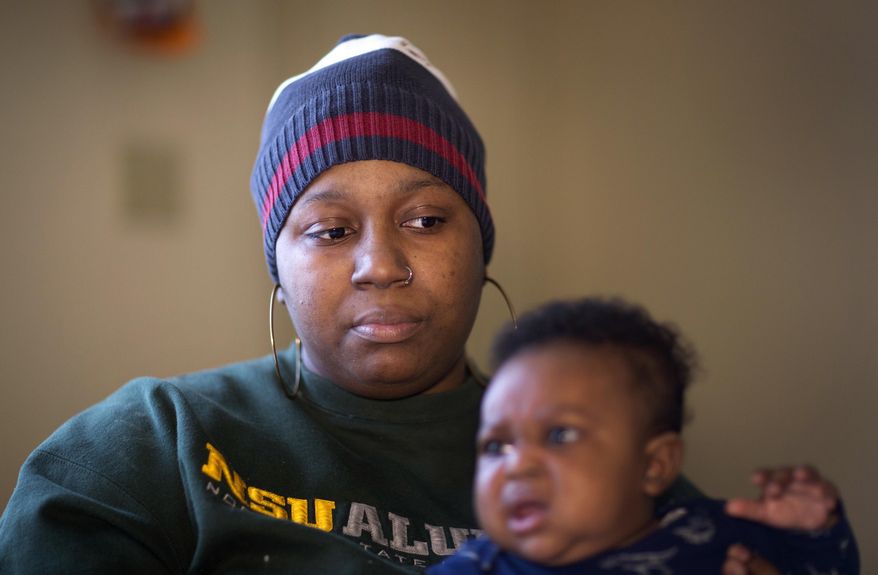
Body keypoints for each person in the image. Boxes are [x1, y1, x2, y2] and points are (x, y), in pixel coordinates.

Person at [0, 34, 778, 574]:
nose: (380, 264)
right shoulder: (147, 447)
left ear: (482, 245)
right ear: (278, 266)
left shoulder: (603, 443)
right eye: (331, 229)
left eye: (427, 219)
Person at [428, 297, 859, 574]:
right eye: (497, 446)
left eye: (559, 435)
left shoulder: (713, 537)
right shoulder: (475, 567)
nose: (517, 465)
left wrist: (815, 529)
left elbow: (826, 566)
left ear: (654, 465)